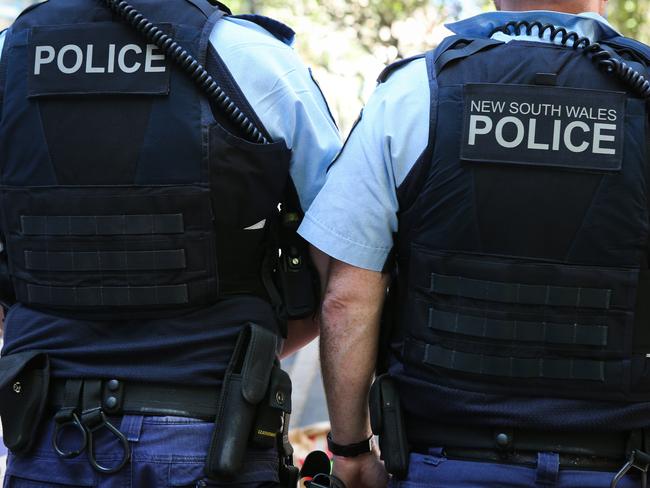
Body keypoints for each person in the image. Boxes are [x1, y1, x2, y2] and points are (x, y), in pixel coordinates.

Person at [299, 0, 650, 487]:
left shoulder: (415, 94)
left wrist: (352, 450)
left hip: (441, 464)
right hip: (616, 467)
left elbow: (346, 296)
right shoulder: (642, 93)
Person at [0, 0, 340, 486]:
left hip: (50, 441)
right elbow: (344, 270)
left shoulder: (11, 56)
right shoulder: (254, 60)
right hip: (211, 433)